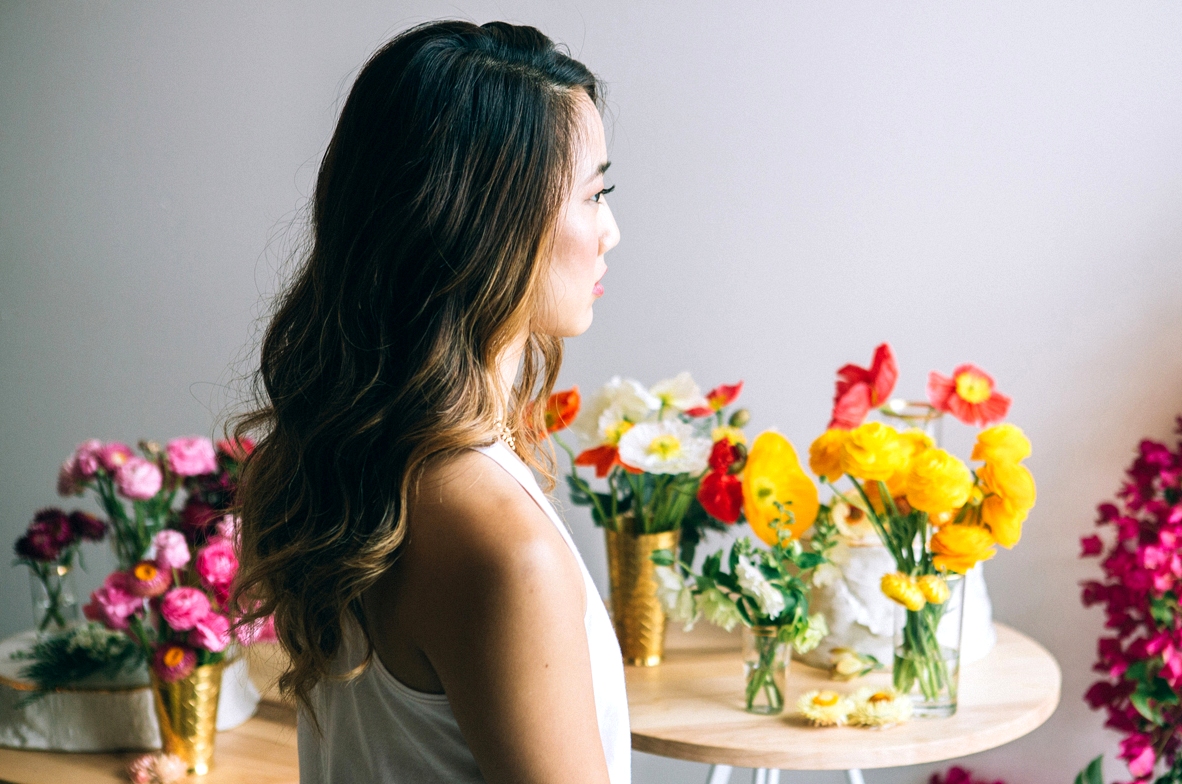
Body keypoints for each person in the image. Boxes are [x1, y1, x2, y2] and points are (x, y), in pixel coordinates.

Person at [231, 19, 627, 784]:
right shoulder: (501, 546)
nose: (609, 230)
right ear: (488, 225)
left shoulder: (350, 462)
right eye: (593, 194)